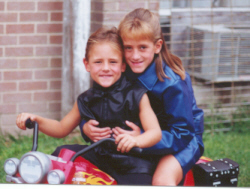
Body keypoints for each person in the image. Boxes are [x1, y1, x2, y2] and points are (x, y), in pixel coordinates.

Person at [16, 26, 162, 185]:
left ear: (123, 65)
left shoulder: (137, 95)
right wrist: (36, 119)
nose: (105, 68)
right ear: (87, 64)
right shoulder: (85, 99)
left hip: (132, 163)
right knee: (61, 153)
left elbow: (155, 132)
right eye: (98, 62)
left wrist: (137, 141)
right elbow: (60, 128)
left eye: (113, 62)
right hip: (99, 157)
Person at [82, 8, 204, 186]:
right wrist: (86, 127)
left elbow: (183, 133)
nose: (135, 55)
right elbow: (95, 104)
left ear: (157, 46)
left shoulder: (173, 84)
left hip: (182, 141)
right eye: (128, 48)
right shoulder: (119, 71)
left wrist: (144, 138)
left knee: (162, 180)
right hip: (137, 137)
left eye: (142, 48)